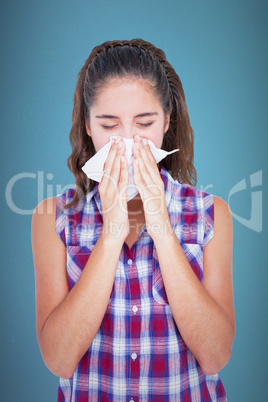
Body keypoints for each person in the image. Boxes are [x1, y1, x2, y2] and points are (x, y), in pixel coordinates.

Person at [32, 39, 235, 401]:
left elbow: (216, 355)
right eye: (109, 125)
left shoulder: (210, 214)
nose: (127, 141)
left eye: (144, 123)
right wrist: (112, 231)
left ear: (167, 122)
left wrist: (159, 223)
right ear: (88, 126)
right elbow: (59, 360)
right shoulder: (54, 220)